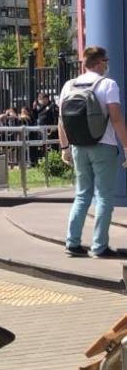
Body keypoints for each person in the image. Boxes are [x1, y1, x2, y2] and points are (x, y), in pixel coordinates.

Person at [58, 46, 127, 258]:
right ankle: (99, 246)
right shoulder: (108, 85)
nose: (107, 64)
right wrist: (126, 147)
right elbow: (115, 118)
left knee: (82, 195)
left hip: (79, 147)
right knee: (105, 197)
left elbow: (61, 120)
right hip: (103, 146)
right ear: (99, 63)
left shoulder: (69, 85)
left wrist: (65, 148)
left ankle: (72, 243)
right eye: (105, 61)